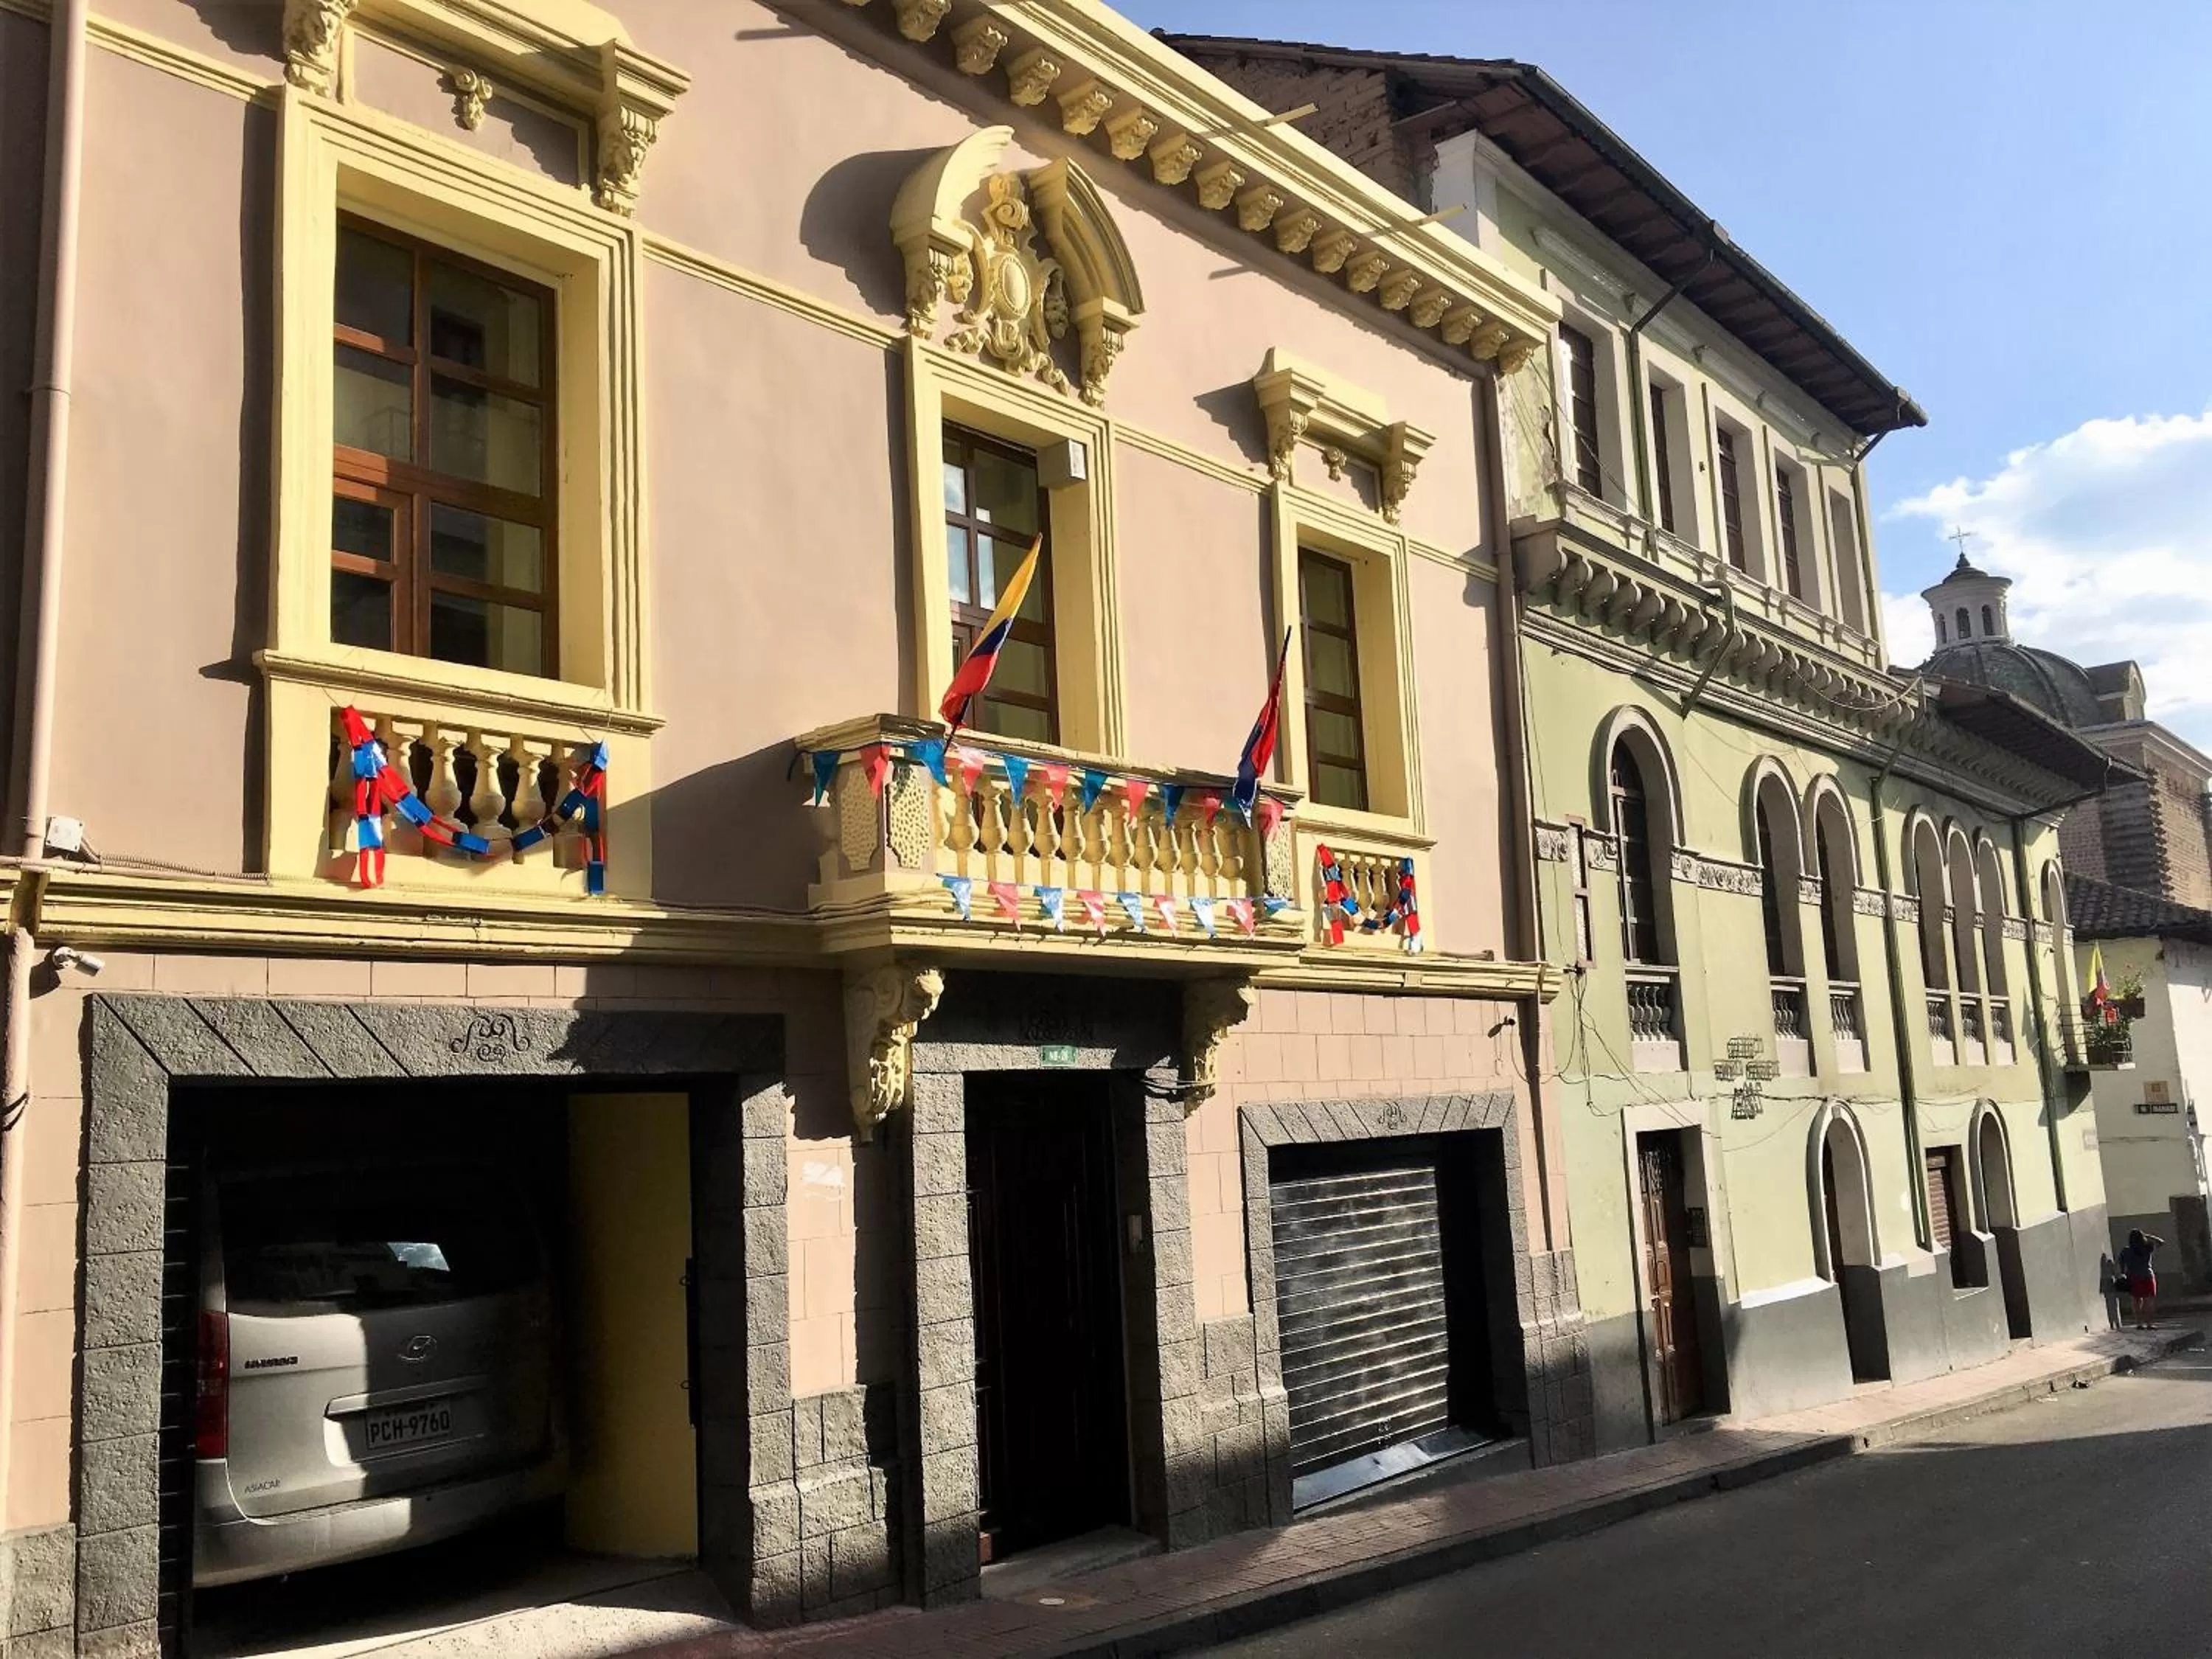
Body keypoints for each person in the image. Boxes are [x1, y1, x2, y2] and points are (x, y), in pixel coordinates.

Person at [2118, 1228, 2164, 1329]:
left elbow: (2122, 1264)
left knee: (2136, 1301)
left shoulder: (2126, 1251)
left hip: (2133, 1277)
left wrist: (2123, 1273)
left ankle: (2139, 1323)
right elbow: (2161, 1242)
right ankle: (2149, 1324)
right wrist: (2147, 1236)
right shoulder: (2147, 1248)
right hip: (2147, 1276)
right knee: (2149, 1301)